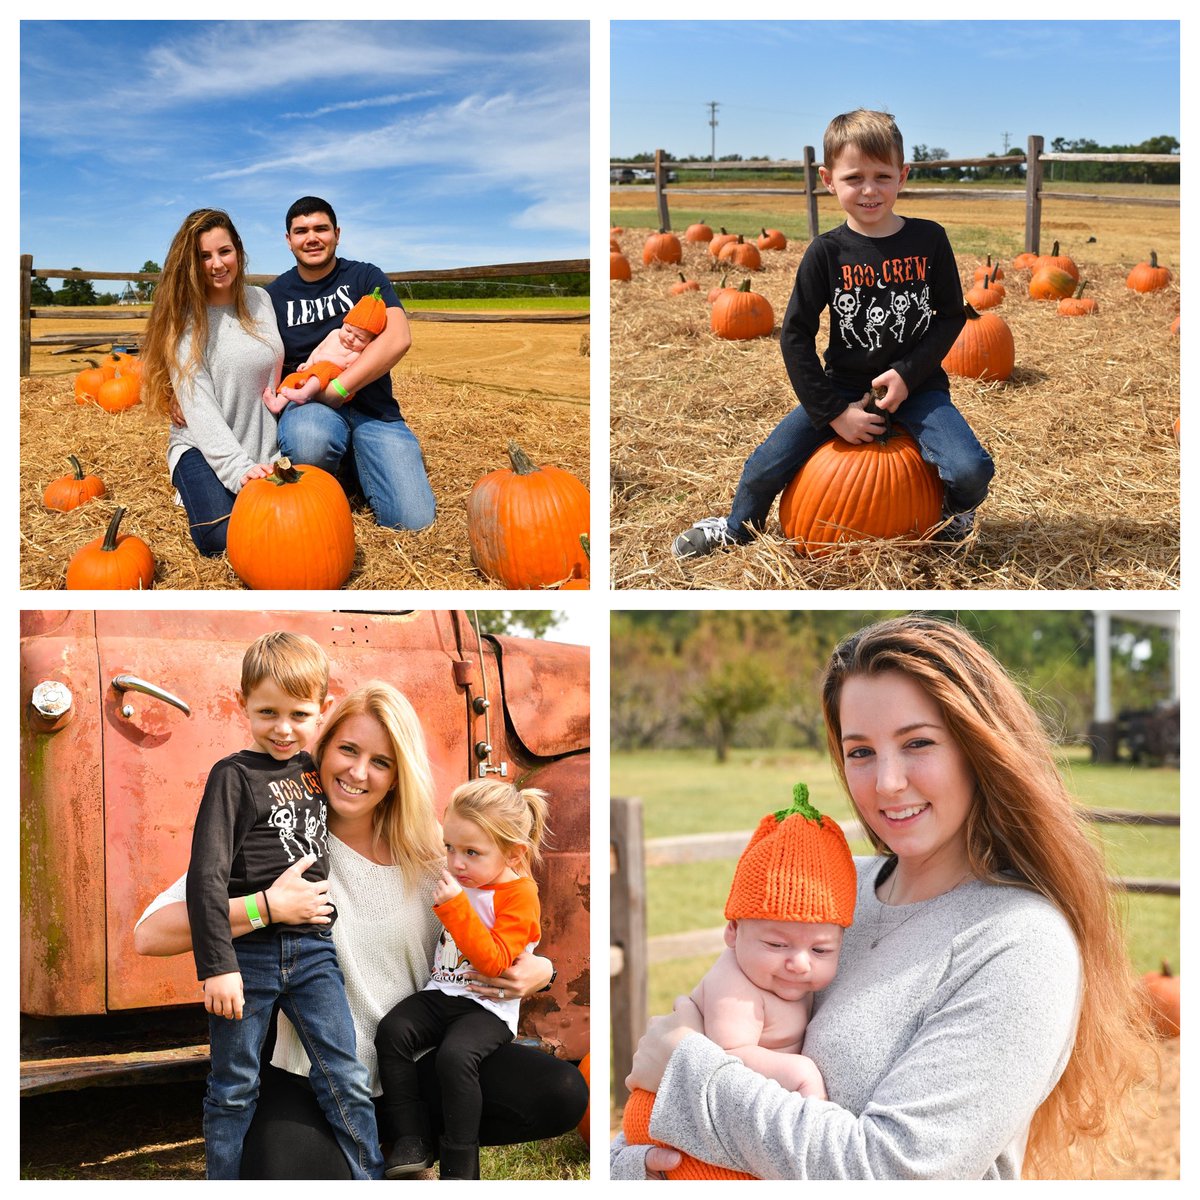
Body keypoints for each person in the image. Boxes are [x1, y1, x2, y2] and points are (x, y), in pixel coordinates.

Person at [612, 616, 1155, 1180]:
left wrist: (685, 1075)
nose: (886, 782)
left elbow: (896, 1172)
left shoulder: (1019, 942)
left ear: (979, 749)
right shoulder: (833, 889)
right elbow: (704, 1046)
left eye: (917, 743)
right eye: (861, 752)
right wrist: (632, 1168)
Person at [136, 681, 586, 1179]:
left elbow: (510, 915)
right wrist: (265, 906)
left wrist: (540, 971)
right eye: (347, 750)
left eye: (380, 761)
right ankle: (366, 1149)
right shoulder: (275, 839)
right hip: (310, 1075)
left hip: (413, 1070)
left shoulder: (435, 856)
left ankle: (409, 1143)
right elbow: (150, 934)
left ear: (397, 777)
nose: (357, 772)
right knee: (282, 1172)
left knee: (558, 1092)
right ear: (321, 750)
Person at [673, 110, 994, 560]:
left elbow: (949, 316)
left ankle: (952, 514)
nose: (869, 189)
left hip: (917, 387)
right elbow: (796, 336)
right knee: (766, 464)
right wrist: (834, 412)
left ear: (903, 175)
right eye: (854, 177)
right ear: (828, 179)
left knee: (970, 468)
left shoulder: (929, 240)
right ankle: (736, 528)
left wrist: (906, 374)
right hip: (842, 388)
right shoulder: (825, 253)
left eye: (883, 176)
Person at [186, 631, 382, 1179]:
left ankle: (371, 1178)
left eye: (298, 714)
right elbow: (206, 877)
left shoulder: (315, 772)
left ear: (321, 709)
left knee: (345, 1076)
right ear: (241, 702)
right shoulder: (234, 776)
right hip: (247, 956)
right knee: (233, 1086)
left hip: (315, 949)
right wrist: (217, 967)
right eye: (267, 711)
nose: (283, 728)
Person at [621, 782, 856, 1179]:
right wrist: (801, 1074)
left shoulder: (779, 976)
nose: (799, 963)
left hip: (719, 1116)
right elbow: (728, 1055)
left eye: (821, 951)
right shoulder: (736, 985)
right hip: (666, 1113)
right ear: (732, 933)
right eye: (777, 943)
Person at [375, 779, 550, 1180]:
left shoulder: (519, 895)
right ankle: (410, 1139)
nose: (456, 863)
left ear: (514, 852)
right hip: (442, 993)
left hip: (487, 1005)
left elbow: (493, 961)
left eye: (472, 852)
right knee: (393, 1031)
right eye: (450, 847)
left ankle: (461, 1165)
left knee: (456, 1057)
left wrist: (455, 907)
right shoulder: (462, 879)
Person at [265, 197, 436, 531]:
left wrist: (339, 389)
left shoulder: (364, 277)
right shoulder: (274, 295)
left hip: (373, 410)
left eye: (320, 228)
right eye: (301, 231)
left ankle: (356, 463)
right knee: (310, 441)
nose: (311, 237)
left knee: (414, 520)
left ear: (337, 234)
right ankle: (335, 468)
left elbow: (398, 337)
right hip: (311, 407)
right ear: (288, 240)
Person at [141, 208, 284, 556]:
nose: (217, 264)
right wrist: (240, 471)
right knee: (223, 538)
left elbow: (272, 370)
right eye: (204, 256)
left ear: (238, 250)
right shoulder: (186, 320)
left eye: (224, 251)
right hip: (203, 447)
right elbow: (200, 410)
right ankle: (191, 484)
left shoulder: (261, 300)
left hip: (264, 443)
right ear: (190, 263)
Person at [263, 288, 386, 414]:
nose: (350, 338)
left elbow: (345, 364)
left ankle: (303, 394)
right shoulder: (334, 334)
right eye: (348, 330)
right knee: (292, 377)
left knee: (325, 368)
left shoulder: (357, 353)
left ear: (369, 341)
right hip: (313, 374)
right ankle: (278, 404)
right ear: (344, 323)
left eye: (359, 338)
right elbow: (319, 349)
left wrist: (323, 358)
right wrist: (308, 364)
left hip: (335, 384)